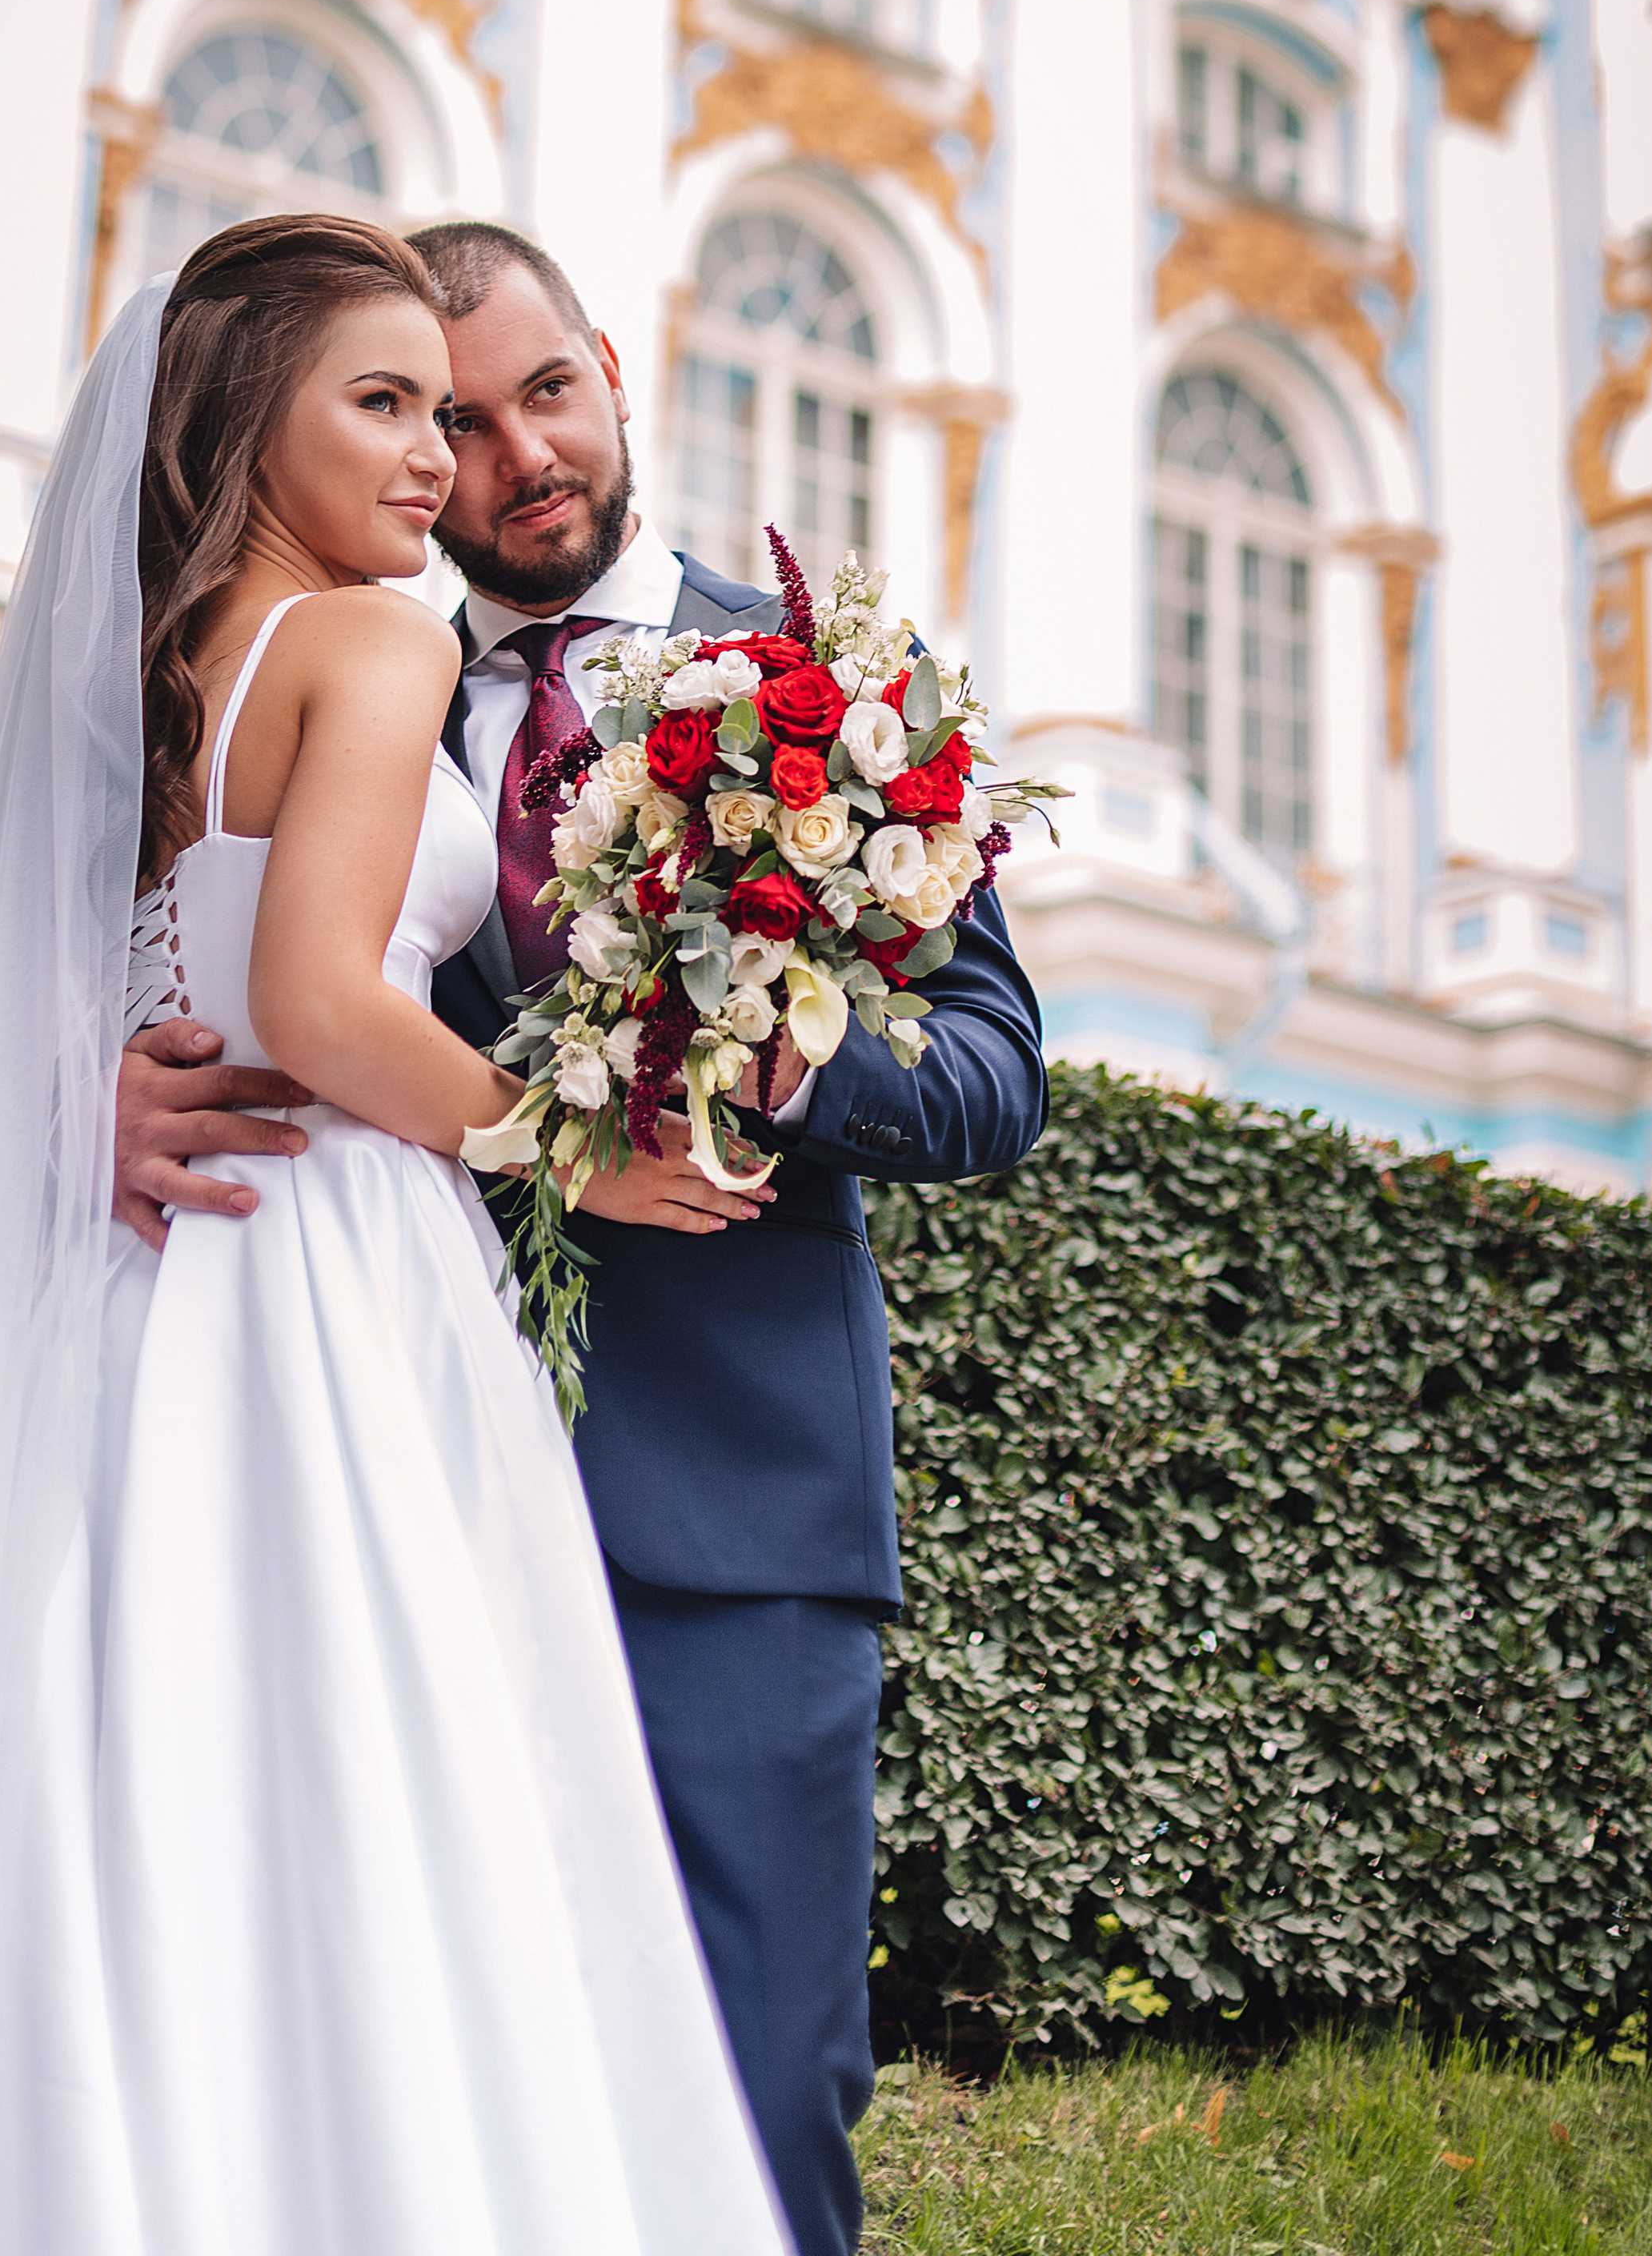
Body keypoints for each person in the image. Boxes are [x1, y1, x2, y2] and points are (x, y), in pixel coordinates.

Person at [0, 215, 792, 2256]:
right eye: (382, 405)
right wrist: (583, 1143)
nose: (439, 458)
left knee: (122, 1756)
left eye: (444, 411)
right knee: (353, 1775)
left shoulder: (153, 674)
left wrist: (87, 1084)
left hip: (154, 1262)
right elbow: (326, 1005)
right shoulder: (379, 641)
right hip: (321, 1252)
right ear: (243, 424)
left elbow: (71, 966)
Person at [118, 220, 1049, 2256]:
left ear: (610, 372)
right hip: (386, 1461)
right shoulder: (341, 651)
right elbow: (222, 957)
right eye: (446, 417)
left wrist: (769, 1059)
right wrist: (117, 1075)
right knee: (415, 2065)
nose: (507, 454)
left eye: (542, 392)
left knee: (748, 2076)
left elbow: (994, 1079)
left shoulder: (824, 692)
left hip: (729, 1502)